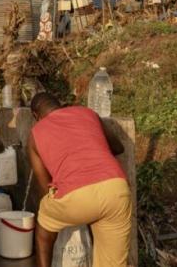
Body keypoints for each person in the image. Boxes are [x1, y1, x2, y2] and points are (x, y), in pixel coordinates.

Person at [27, 93, 131, 267]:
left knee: (44, 229)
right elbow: (118, 147)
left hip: (77, 197)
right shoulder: (87, 113)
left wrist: (55, 213)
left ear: (35, 115)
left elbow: (44, 187)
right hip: (116, 189)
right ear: (60, 104)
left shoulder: (35, 134)